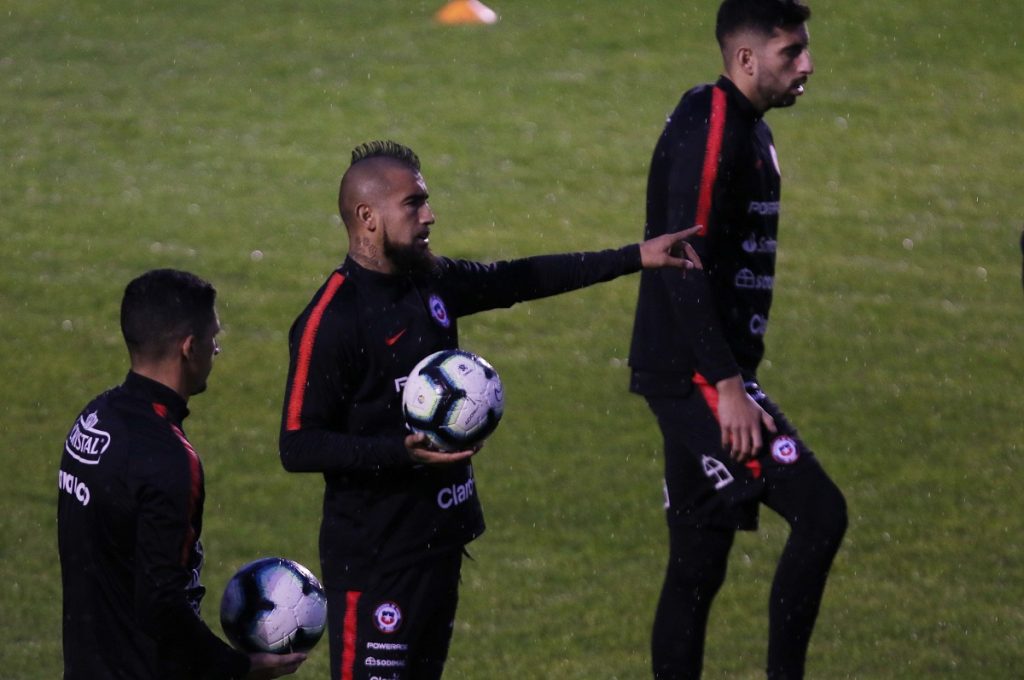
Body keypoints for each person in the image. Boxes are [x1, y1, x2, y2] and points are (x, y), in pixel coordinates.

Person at [279, 139, 701, 680]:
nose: (430, 214)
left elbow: (517, 279)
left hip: (439, 544)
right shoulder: (331, 319)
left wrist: (634, 257)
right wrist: (399, 452)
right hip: (376, 563)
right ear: (367, 216)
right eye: (414, 203)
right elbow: (297, 444)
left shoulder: (427, 280)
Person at [628, 1, 848, 678]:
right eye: (791, 52)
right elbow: (681, 258)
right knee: (821, 514)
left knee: (698, 562)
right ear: (746, 58)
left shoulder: (745, 125)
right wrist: (726, 386)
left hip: (698, 369)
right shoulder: (713, 122)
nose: (807, 64)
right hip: (697, 376)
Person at [57, 269, 306, 679]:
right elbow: (161, 604)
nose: (217, 350)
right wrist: (239, 667)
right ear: (189, 349)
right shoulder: (169, 458)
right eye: (214, 338)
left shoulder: (95, 417)